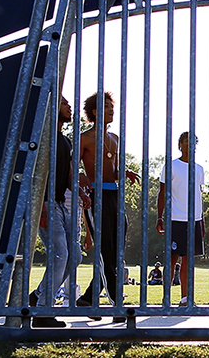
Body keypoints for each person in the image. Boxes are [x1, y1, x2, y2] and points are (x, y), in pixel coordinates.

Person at [75, 92, 140, 308]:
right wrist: (80, 175)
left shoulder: (115, 139)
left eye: (113, 107)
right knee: (106, 251)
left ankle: (88, 298)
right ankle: (116, 301)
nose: (112, 110)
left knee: (116, 251)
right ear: (95, 111)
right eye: (106, 107)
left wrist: (126, 172)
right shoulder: (85, 137)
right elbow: (71, 166)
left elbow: (114, 169)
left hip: (114, 194)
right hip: (95, 195)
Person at [31, 96, 91, 326]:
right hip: (45, 203)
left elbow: (66, 175)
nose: (69, 107)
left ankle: (37, 297)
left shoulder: (65, 142)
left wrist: (80, 193)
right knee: (60, 254)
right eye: (64, 104)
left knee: (74, 255)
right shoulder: (43, 139)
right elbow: (36, 173)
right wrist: (42, 205)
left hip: (59, 203)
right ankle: (44, 311)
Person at [156, 132, 205, 306]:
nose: (189, 144)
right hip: (175, 218)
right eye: (186, 141)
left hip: (194, 221)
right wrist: (160, 217)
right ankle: (166, 297)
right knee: (171, 259)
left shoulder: (199, 169)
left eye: (193, 142)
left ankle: (185, 298)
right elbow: (162, 193)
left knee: (188, 261)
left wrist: (202, 221)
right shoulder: (172, 166)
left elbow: (199, 195)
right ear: (180, 144)